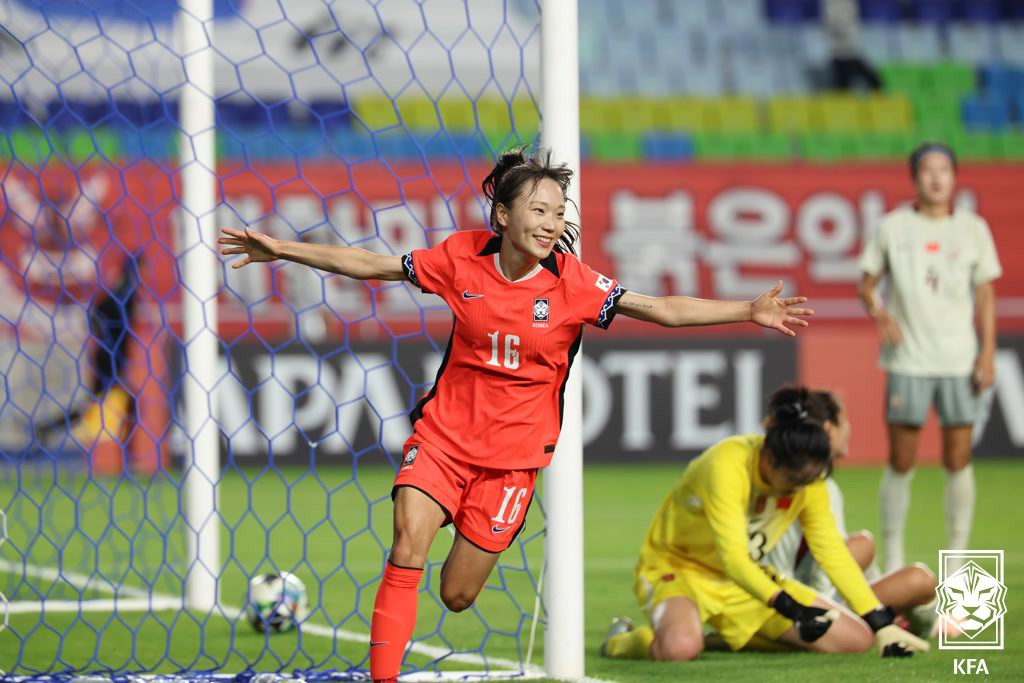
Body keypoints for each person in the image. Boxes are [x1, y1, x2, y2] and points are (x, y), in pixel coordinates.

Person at [220, 147, 814, 683]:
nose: (553, 222)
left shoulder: (574, 283)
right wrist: (282, 250)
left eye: (560, 212)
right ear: (502, 215)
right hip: (443, 438)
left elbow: (661, 307)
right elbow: (371, 264)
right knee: (406, 544)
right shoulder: (459, 259)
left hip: (511, 463)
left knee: (456, 594)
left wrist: (747, 309)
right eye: (539, 208)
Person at [600, 386, 929, 662]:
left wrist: (879, 621)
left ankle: (722, 637)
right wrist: (791, 608)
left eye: (807, 481)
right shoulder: (726, 465)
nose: (799, 489)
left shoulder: (807, 479)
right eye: (793, 481)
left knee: (856, 640)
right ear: (769, 458)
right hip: (680, 572)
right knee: (679, 648)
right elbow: (733, 559)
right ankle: (622, 640)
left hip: (749, 579)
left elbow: (832, 552)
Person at [859, 143, 1002, 573]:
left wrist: (988, 352)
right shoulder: (892, 227)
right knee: (902, 460)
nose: (936, 178)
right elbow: (866, 283)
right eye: (927, 170)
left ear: (955, 177)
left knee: (958, 460)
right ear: (914, 177)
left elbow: (986, 295)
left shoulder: (973, 229)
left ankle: (957, 566)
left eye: (944, 170)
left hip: (959, 359)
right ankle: (894, 562)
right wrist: (877, 309)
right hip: (907, 360)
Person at [765, 391, 939, 638]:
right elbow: (824, 567)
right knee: (919, 580)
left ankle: (890, 615)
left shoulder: (779, 473)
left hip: (780, 589)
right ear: (829, 429)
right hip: (801, 602)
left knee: (863, 544)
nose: (850, 429)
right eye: (844, 421)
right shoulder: (818, 486)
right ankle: (925, 625)